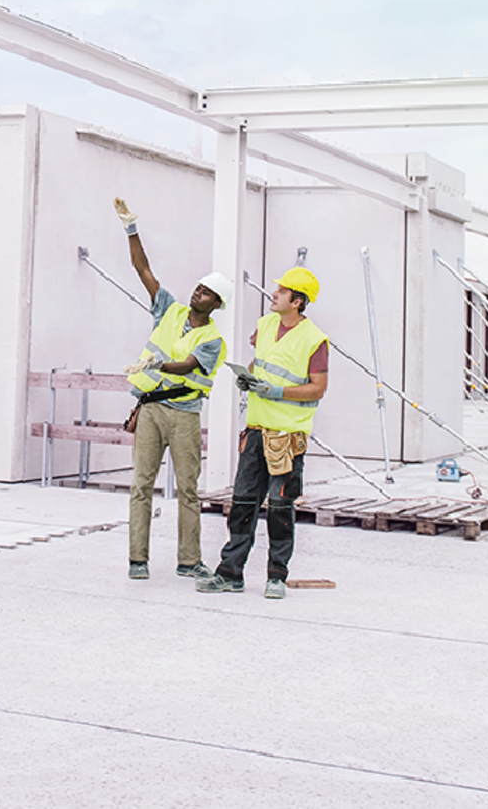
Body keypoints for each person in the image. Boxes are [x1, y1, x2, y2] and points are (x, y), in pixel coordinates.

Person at [114, 197, 231, 581]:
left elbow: (187, 367)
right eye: (198, 287)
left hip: (183, 415)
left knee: (189, 490)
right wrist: (132, 228)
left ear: (217, 304)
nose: (198, 293)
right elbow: (143, 269)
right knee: (141, 486)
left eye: (206, 292)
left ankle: (188, 560)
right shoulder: (170, 309)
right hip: (149, 410)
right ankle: (137, 560)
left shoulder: (212, 339)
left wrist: (157, 364)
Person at [197, 267, 328, 599]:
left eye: (282, 291)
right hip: (256, 431)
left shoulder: (315, 339)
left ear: (297, 301)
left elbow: (318, 388)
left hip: (287, 437)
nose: (275, 294)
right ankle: (230, 573)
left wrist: (278, 392)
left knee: (281, 508)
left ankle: (276, 577)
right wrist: (250, 377)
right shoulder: (265, 324)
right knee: (242, 504)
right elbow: (262, 361)